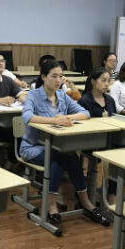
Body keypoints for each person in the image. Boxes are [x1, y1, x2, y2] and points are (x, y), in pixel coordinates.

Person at [21, 61, 108, 225]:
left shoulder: (62, 95)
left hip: (58, 147)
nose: (58, 80)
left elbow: (85, 113)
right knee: (63, 155)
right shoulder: (33, 95)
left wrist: (67, 117)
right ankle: (69, 202)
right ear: (43, 77)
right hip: (33, 148)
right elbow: (27, 117)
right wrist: (54, 121)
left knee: (67, 154)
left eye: (60, 76)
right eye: (54, 76)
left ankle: (73, 202)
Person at [78, 67, 120, 206]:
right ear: (93, 81)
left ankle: (112, 194)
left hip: (109, 141)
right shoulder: (84, 101)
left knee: (118, 159)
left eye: (108, 81)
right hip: (90, 141)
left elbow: (114, 120)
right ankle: (86, 194)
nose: (107, 84)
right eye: (103, 80)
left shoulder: (110, 100)